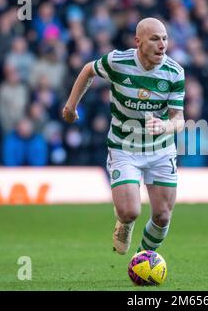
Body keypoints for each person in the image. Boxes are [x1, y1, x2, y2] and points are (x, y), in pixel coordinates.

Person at [62, 17, 185, 255]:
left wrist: (164, 127)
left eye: (165, 39)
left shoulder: (174, 72)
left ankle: (142, 259)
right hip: (124, 146)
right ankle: (124, 224)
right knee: (130, 211)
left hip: (160, 149)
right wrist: (70, 106)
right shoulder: (118, 62)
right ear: (138, 41)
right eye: (155, 39)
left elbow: (178, 119)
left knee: (162, 215)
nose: (162, 45)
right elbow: (89, 69)